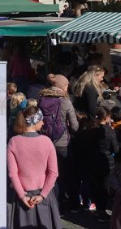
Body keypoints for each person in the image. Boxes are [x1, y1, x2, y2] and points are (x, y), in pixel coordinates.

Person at [7, 106, 62, 229]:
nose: (43, 122)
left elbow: (12, 174)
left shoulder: (13, 141)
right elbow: (53, 173)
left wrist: (22, 196)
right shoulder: (47, 142)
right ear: (35, 121)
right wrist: (42, 195)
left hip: (21, 197)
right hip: (44, 196)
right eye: (41, 120)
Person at [39, 74, 79, 210]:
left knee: (50, 173)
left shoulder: (41, 99)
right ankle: (73, 205)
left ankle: (54, 203)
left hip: (45, 142)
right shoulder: (66, 102)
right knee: (68, 173)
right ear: (63, 86)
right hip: (62, 143)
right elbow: (75, 126)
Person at [84, 107, 119, 222]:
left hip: (92, 160)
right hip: (106, 162)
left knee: (95, 184)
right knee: (104, 187)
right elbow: (115, 149)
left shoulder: (90, 128)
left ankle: (93, 205)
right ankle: (101, 211)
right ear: (107, 117)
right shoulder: (109, 131)